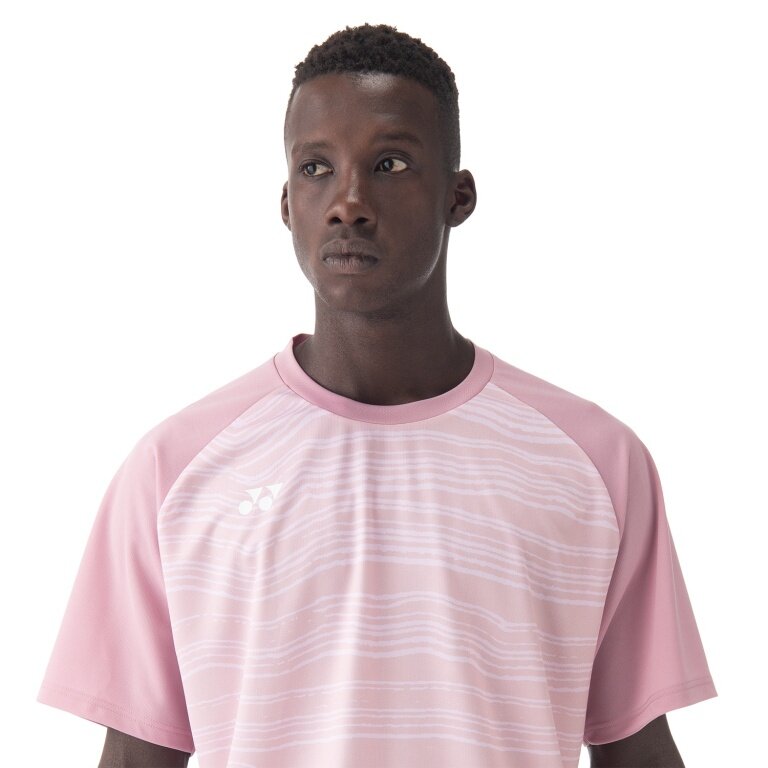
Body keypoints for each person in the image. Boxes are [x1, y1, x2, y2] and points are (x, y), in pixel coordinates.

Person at [36, 22, 717, 768]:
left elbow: (638, 751)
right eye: (316, 168)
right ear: (287, 203)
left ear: (458, 196)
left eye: (390, 164)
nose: (348, 202)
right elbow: (135, 758)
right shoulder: (173, 471)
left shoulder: (597, 463)